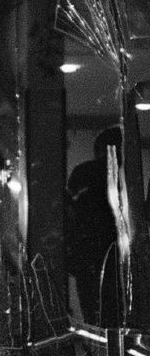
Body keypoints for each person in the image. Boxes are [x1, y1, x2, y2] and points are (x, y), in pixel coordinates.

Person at [65, 126, 124, 328]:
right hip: (101, 254)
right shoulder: (94, 174)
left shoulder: (86, 173)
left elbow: (70, 211)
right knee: (110, 312)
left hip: (91, 255)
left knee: (97, 314)